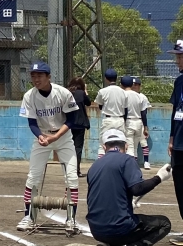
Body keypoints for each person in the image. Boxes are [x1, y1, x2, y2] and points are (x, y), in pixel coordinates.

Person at [86, 129, 171, 246]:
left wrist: (126, 202)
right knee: (164, 223)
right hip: (119, 227)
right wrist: (159, 177)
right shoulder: (127, 160)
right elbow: (137, 189)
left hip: (96, 229)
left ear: (104, 147)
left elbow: (103, 194)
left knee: (120, 221)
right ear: (125, 146)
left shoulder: (94, 166)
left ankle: (108, 245)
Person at [18, 61, 80, 231]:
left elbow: (72, 120)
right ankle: (28, 217)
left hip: (63, 137)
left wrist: (56, 136)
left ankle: (71, 219)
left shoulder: (63, 93)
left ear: (48, 77)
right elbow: (32, 122)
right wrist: (40, 136)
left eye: (39, 75)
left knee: (72, 177)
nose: (36, 79)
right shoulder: (29, 96)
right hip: (43, 136)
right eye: (33, 76)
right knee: (33, 176)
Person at [167, 39, 183, 246]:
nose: (177, 61)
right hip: (179, 143)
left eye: (180, 56)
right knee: (180, 186)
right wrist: (171, 137)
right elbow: (175, 111)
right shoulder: (179, 82)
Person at [94, 68, 128, 158]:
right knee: (121, 143)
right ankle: (121, 163)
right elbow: (126, 109)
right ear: (116, 78)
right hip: (120, 119)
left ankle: (101, 164)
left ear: (106, 78)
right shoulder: (123, 92)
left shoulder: (102, 91)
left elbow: (100, 106)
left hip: (108, 119)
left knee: (103, 143)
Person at [121, 75, 149, 164]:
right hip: (138, 122)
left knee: (130, 147)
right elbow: (143, 113)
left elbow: (124, 111)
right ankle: (134, 165)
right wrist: (145, 127)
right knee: (135, 147)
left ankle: (131, 166)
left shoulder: (123, 94)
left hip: (129, 121)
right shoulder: (140, 96)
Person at [67, 77, 91, 177]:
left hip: (68, 124)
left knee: (68, 147)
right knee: (78, 148)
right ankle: (76, 170)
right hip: (80, 124)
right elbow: (88, 103)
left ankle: (68, 169)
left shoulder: (67, 93)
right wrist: (85, 91)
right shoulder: (81, 93)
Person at [132, 77, 151, 169]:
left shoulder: (142, 97)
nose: (134, 86)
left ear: (139, 86)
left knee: (143, 142)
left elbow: (144, 113)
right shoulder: (128, 95)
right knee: (133, 145)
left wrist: (145, 126)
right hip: (130, 121)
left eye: (136, 85)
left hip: (140, 121)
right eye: (133, 84)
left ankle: (146, 161)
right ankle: (134, 163)